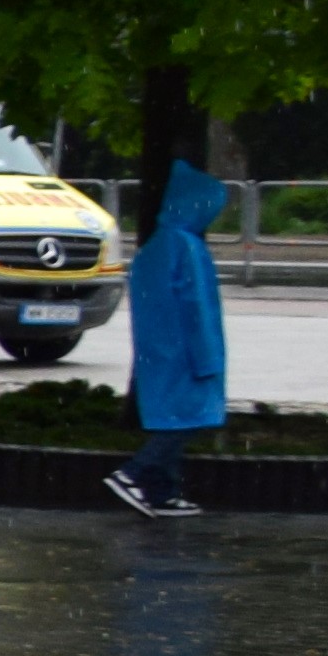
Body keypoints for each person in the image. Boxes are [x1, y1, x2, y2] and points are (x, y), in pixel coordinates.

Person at [111, 155, 226, 518]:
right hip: (186, 350)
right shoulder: (187, 246)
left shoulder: (157, 245)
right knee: (189, 418)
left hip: (158, 347)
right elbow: (197, 306)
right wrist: (207, 356)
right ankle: (133, 474)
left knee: (172, 416)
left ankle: (163, 492)